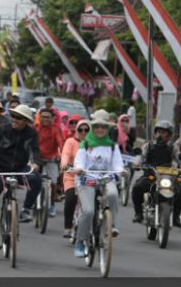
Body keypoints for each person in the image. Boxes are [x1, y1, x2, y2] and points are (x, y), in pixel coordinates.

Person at [0, 104, 42, 250]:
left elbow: (35, 150)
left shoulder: (32, 133)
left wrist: (35, 163)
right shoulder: (1, 130)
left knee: (37, 179)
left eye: (19, 118)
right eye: (13, 116)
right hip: (0, 169)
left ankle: (26, 209)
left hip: (20, 169)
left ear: (26, 121)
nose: (14, 119)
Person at [72, 111, 124, 257]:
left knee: (113, 194)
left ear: (107, 129)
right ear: (92, 128)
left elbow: (118, 163)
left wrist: (121, 171)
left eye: (103, 127)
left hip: (106, 178)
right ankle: (80, 241)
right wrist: (80, 169)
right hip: (86, 180)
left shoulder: (113, 145)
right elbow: (79, 161)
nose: (100, 129)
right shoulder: (86, 143)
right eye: (96, 127)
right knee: (88, 211)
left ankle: (111, 224)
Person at [131, 120, 175, 224]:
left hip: (167, 178)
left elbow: (180, 161)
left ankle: (177, 217)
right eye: (159, 132)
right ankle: (138, 214)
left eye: (164, 133)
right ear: (155, 133)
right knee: (137, 187)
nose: (160, 135)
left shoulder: (173, 148)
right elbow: (140, 156)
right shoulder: (148, 146)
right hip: (151, 177)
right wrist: (137, 163)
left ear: (169, 135)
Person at [60, 119, 90, 238]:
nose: (83, 132)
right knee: (71, 198)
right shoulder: (70, 141)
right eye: (80, 129)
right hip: (71, 175)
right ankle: (67, 227)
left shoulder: (93, 143)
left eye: (86, 130)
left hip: (88, 177)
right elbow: (65, 154)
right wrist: (64, 164)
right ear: (76, 130)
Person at [36, 108, 64, 217]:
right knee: (33, 180)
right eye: (43, 117)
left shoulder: (56, 129)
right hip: (37, 159)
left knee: (53, 183)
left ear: (53, 118)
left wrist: (63, 155)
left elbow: (61, 143)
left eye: (48, 117)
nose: (45, 119)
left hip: (51, 159)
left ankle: (52, 204)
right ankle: (30, 205)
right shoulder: (36, 128)